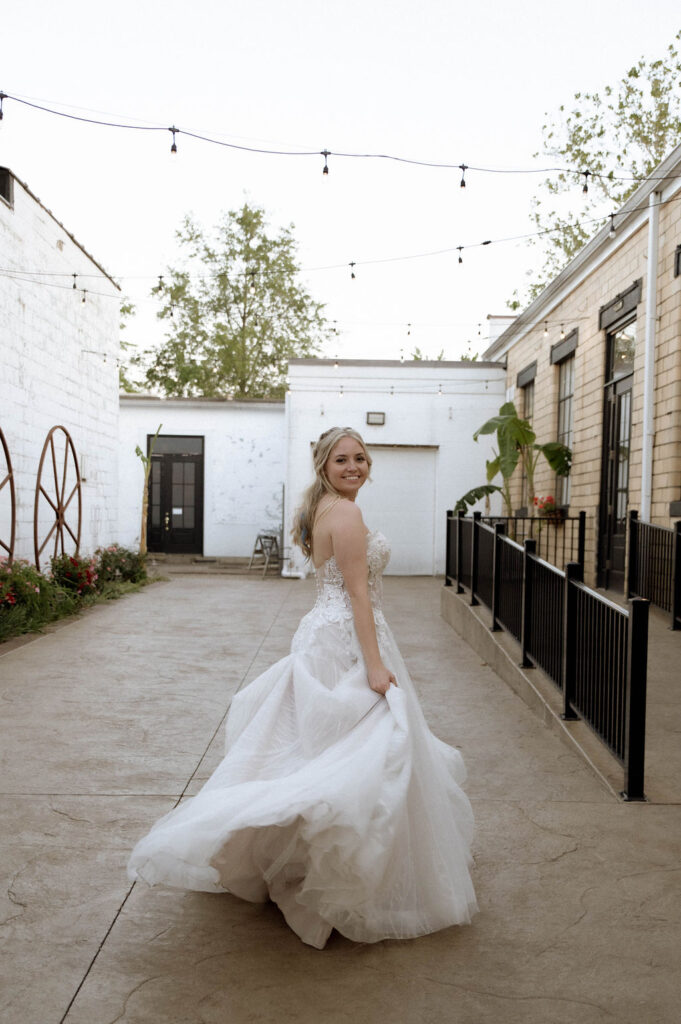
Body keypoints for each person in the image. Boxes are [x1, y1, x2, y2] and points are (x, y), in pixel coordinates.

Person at [128, 426, 477, 948]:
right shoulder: (348, 513)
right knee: (368, 747)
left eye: (361, 458)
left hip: (321, 631)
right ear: (324, 466)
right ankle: (344, 874)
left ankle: (308, 854)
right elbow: (360, 596)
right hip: (346, 640)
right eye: (342, 460)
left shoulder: (319, 509)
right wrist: (375, 666)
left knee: (319, 750)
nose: (355, 466)